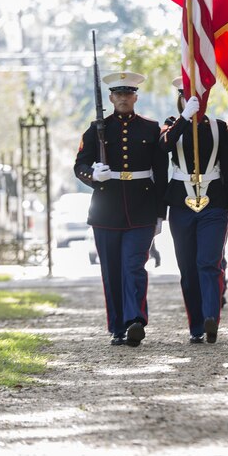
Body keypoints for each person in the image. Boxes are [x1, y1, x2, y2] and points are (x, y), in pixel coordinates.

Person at [74, 71, 168, 346]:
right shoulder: (96, 129)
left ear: (135, 97)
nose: (124, 99)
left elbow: (160, 173)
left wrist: (160, 213)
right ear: (111, 98)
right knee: (112, 271)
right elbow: (79, 165)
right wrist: (94, 174)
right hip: (106, 209)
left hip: (141, 209)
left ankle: (135, 320)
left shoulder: (151, 128)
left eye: (128, 94)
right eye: (119, 95)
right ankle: (117, 326)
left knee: (134, 266)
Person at [160, 77, 228, 344]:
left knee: (209, 263)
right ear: (179, 98)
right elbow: (164, 147)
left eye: (197, 97)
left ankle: (211, 319)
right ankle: (195, 327)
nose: (193, 100)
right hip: (181, 204)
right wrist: (184, 117)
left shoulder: (217, 127)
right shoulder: (171, 124)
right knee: (188, 269)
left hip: (213, 202)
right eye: (186, 96)